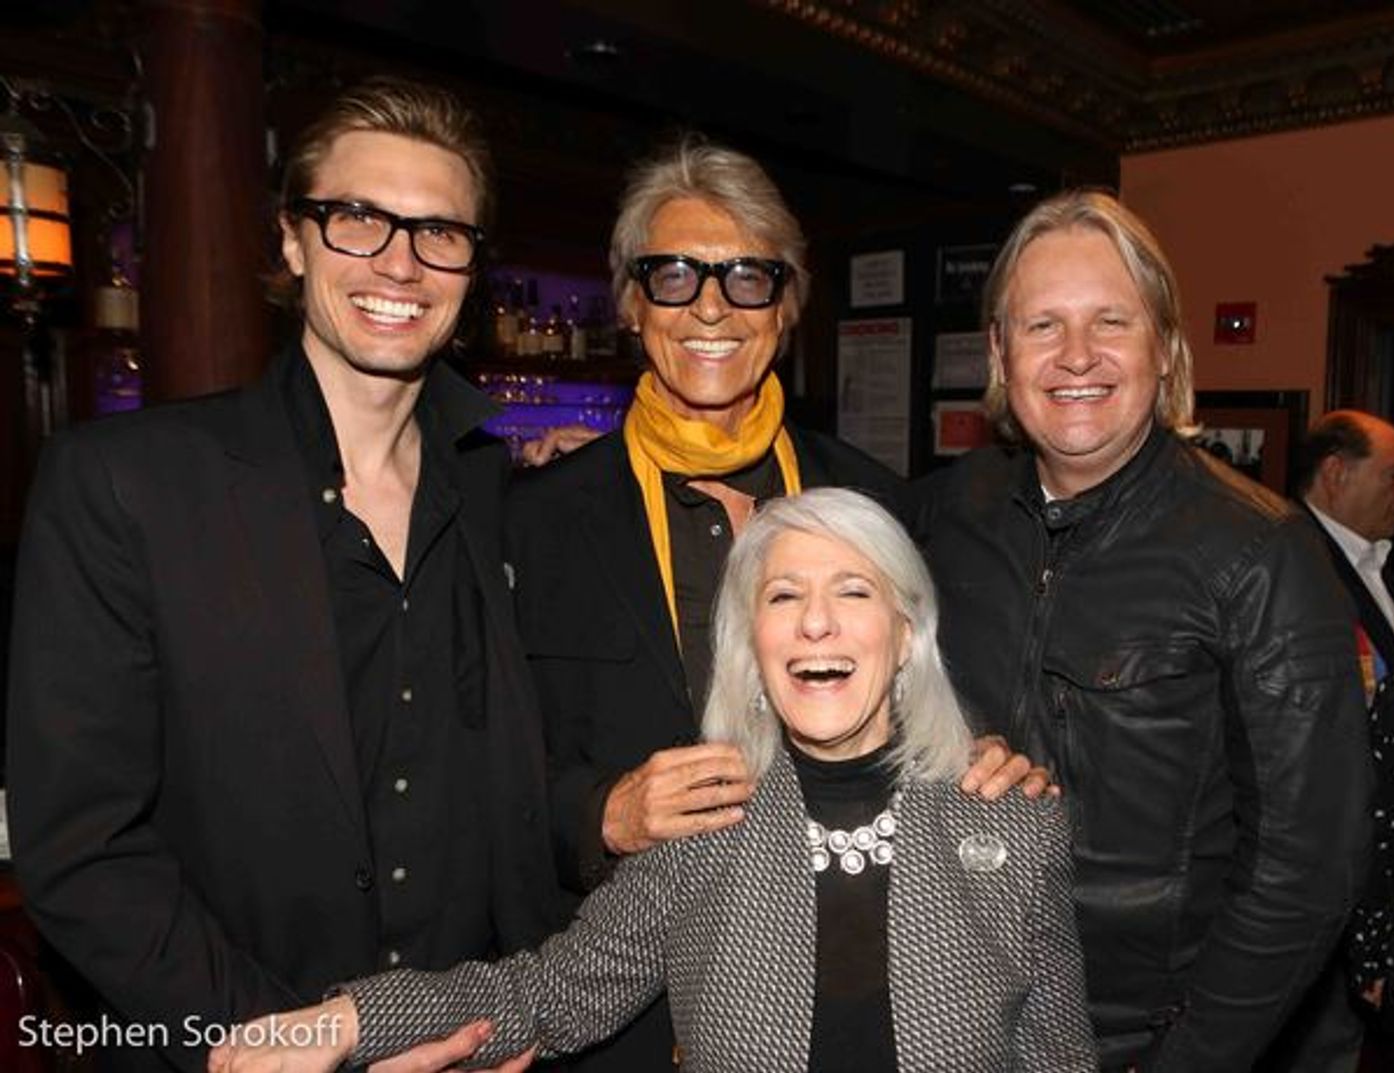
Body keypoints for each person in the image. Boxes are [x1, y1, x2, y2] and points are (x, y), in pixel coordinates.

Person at [6, 77, 560, 1073]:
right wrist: (304, 1043)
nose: (400, 260)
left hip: (472, 1044)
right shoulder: (127, 483)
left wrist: (509, 1009)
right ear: (292, 240)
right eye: (357, 218)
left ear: (471, 270)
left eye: (439, 232)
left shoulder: (492, 490)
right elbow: (81, 846)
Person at [209, 487, 1097, 1073]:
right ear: (751, 646)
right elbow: (542, 994)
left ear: (905, 634)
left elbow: (1059, 1059)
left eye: (854, 592)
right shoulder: (705, 832)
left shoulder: (1015, 832)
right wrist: (345, 1022)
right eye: (784, 597)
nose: (818, 622)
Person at [504, 139, 1046, 1070]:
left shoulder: (883, 502)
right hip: (607, 1017)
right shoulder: (528, 520)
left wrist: (985, 758)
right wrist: (596, 812)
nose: (710, 306)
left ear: (788, 307)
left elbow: (932, 691)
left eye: (747, 277)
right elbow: (476, 770)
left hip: (846, 1000)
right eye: (673, 274)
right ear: (630, 302)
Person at [912, 190, 1372, 1072]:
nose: (1076, 355)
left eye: (1110, 321)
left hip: (1157, 1037)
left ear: (1164, 347)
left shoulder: (1260, 551)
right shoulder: (944, 514)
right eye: (1042, 324)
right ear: (1001, 353)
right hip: (968, 1015)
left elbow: (1308, 871)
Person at [1293, 410, 1394, 1067]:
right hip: (1332, 851)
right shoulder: (1290, 555)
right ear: (1336, 473)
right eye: (1393, 476)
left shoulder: (1386, 560)